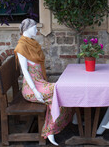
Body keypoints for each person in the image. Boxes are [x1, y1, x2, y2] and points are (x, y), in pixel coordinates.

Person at [14, 18, 73, 146]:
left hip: (41, 84)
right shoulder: (21, 46)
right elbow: (25, 72)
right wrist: (36, 91)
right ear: (27, 29)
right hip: (31, 89)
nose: (37, 29)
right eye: (34, 27)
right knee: (60, 91)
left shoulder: (33, 43)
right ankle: (51, 130)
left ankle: (50, 129)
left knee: (60, 95)